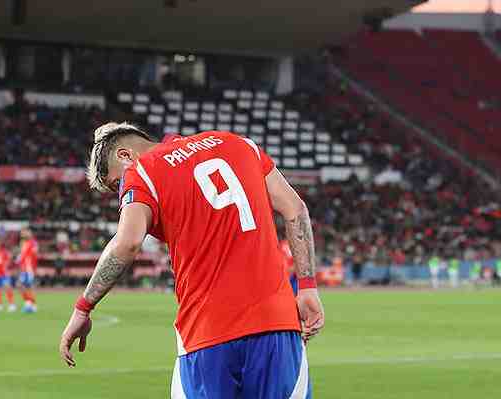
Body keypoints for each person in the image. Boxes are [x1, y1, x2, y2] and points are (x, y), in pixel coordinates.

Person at [59, 123, 324, 398]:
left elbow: (127, 242)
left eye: (116, 184)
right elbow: (295, 209)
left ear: (125, 155)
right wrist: (307, 287)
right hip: (277, 325)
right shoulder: (240, 144)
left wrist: (83, 308)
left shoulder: (142, 171)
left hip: (207, 332)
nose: (121, 192)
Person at [17, 228, 39, 313]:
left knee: (27, 286)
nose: (22, 234)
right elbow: (22, 256)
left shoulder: (33, 243)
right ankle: (30, 303)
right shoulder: (23, 243)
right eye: (22, 233)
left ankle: (30, 304)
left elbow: (34, 255)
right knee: (23, 286)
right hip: (23, 268)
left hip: (29, 269)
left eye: (24, 233)